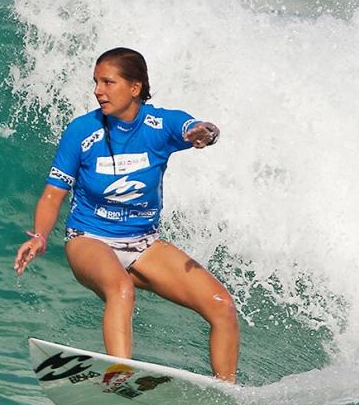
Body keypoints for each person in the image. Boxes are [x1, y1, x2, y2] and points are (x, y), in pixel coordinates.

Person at [13, 47, 239, 382]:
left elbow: (200, 127)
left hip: (143, 243)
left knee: (222, 306)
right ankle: (118, 377)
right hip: (88, 239)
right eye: (96, 82)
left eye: (108, 82)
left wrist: (205, 133)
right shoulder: (81, 132)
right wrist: (40, 235)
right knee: (120, 289)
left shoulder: (160, 125)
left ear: (135, 87)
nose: (97, 91)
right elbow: (53, 194)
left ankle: (226, 397)